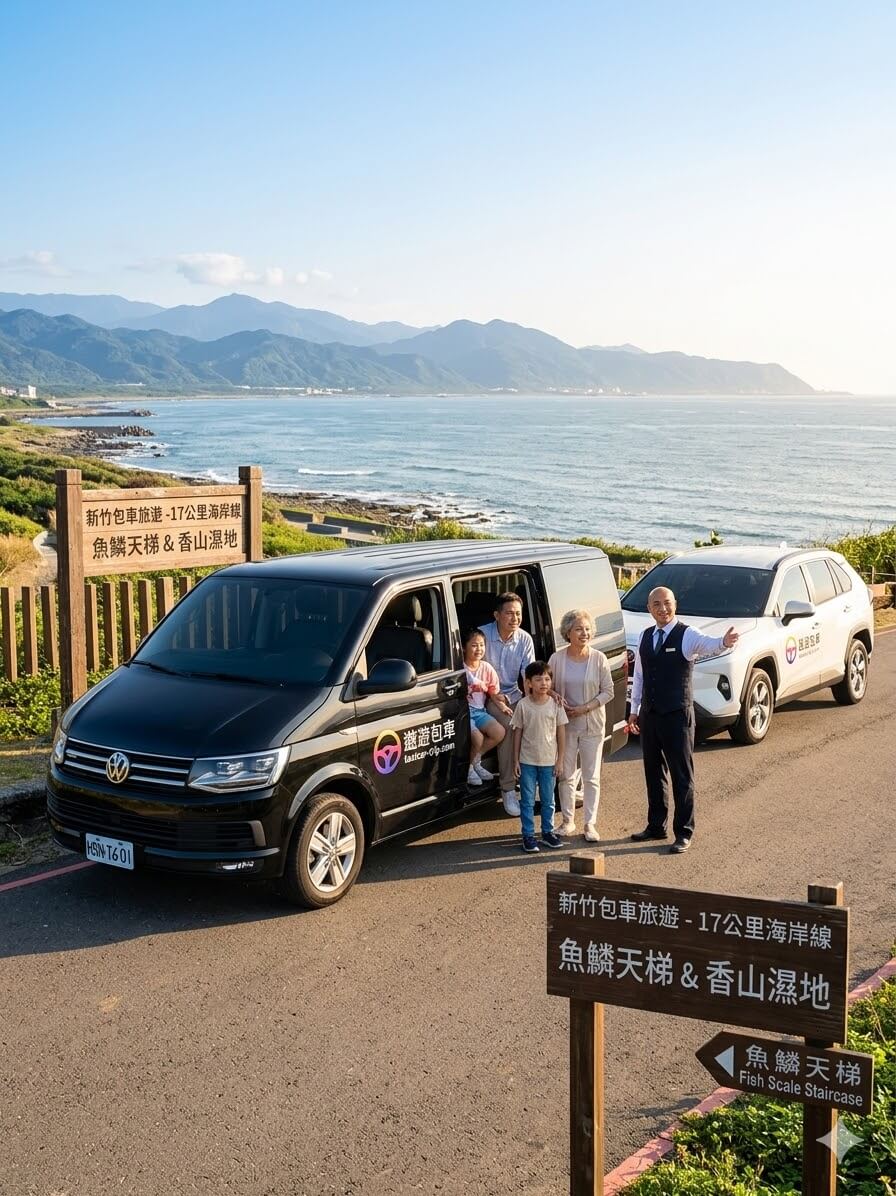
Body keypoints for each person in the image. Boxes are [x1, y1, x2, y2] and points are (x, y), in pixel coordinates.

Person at [626, 586, 739, 853]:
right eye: (656, 604)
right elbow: (639, 677)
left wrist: (724, 641)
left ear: (675, 604)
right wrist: (634, 709)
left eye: (666, 603)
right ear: (649, 608)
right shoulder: (645, 636)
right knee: (653, 773)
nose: (662, 609)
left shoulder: (687, 634)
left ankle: (684, 831)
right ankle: (656, 826)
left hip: (677, 715)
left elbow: (709, 645)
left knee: (682, 775)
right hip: (650, 715)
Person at [549, 609, 613, 841]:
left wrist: (585, 708)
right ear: (568, 632)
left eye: (587, 629)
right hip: (566, 725)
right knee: (565, 774)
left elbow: (609, 691)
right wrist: (556, 696)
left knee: (591, 775)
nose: (584, 633)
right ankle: (567, 821)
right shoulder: (557, 658)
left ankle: (590, 824)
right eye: (578, 629)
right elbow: (547, 685)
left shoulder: (599, 658)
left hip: (592, 724)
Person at [479, 592, 535, 815]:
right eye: (509, 613)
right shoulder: (483, 634)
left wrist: (535, 703)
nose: (515, 618)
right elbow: (477, 672)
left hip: (513, 695)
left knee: (538, 722)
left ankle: (535, 783)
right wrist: (495, 695)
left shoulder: (524, 639)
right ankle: (508, 789)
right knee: (511, 725)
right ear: (496, 615)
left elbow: (527, 675)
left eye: (518, 614)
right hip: (487, 696)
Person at [510, 661, 568, 853]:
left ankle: (547, 832)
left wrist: (560, 760)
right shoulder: (523, 706)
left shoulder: (556, 705)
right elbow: (517, 733)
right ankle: (528, 835)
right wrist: (515, 760)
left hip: (549, 761)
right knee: (526, 800)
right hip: (527, 761)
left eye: (547, 679)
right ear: (528, 683)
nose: (544, 683)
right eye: (538, 679)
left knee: (548, 799)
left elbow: (561, 733)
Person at [462, 627, 510, 787]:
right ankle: (468, 769)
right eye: (474, 645)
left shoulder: (486, 668)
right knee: (478, 737)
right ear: (464, 647)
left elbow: (493, 692)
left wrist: (502, 706)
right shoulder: (462, 669)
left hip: (479, 711)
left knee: (499, 732)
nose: (479, 649)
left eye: (482, 645)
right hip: (465, 712)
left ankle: (475, 760)